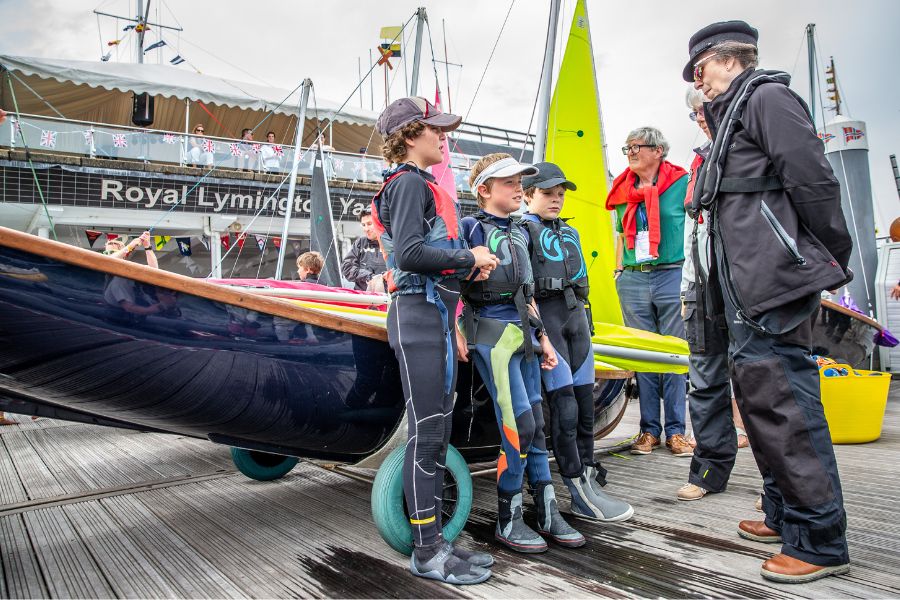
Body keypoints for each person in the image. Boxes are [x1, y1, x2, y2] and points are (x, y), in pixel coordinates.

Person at [683, 20, 853, 583]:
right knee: (761, 398)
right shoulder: (734, 111)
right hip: (746, 283)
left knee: (784, 403)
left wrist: (822, 259)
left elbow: (813, 182)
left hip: (772, 277)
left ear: (725, 60)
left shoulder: (768, 98)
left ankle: (819, 539)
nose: (697, 82)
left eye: (699, 70)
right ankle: (784, 513)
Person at [370, 96, 499, 585]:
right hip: (419, 316)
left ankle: (438, 543)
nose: (444, 136)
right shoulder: (406, 184)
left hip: (434, 317)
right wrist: (470, 257)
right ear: (408, 136)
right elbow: (407, 253)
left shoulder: (419, 185)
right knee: (426, 437)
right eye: (435, 129)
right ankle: (426, 552)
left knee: (437, 435)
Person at [460, 153, 585, 554]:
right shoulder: (469, 228)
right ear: (484, 190)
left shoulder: (519, 230)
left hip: (524, 335)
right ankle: (508, 516)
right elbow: (448, 285)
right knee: (519, 425)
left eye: (519, 182)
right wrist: (452, 330)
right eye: (509, 183)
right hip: (490, 335)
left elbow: (526, 294)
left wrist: (544, 339)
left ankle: (546, 510)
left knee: (537, 424)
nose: (518, 189)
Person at [519, 162, 635, 523]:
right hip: (551, 327)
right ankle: (574, 487)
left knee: (586, 410)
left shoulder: (570, 232)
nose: (556, 200)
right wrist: (538, 333)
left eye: (560, 194)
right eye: (547, 193)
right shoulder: (522, 231)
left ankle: (587, 475)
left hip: (578, 324)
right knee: (566, 412)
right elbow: (523, 292)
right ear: (527, 195)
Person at [677, 88, 749, 503]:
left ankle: (777, 490)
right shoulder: (700, 159)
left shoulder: (751, 147)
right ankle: (708, 471)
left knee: (760, 384)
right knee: (705, 383)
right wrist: (689, 283)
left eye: (706, 109)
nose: (702, 117)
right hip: (700, 288)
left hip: (746, 285)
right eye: (695, 113)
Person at [605, 127, 692, 457]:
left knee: (671, 353)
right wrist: (618, 272)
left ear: (659, 150)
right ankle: (648, 430)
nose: (630, 153)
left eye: (636, 147)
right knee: (644, 354)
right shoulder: (622, 187)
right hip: (634, 277)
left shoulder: (682, 183)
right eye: (626, 148)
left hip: (671, 274)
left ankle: (676, 432)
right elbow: (619, 235)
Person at [341, 208, 387, 292]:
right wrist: (368, 276)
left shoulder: (391, 243)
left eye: (369, 224)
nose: (366, 229)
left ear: (379, 223)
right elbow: (346, 267)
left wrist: (382, 280)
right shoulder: (360, 243)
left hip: (387, 298)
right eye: (363, 225)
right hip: (362, 298)